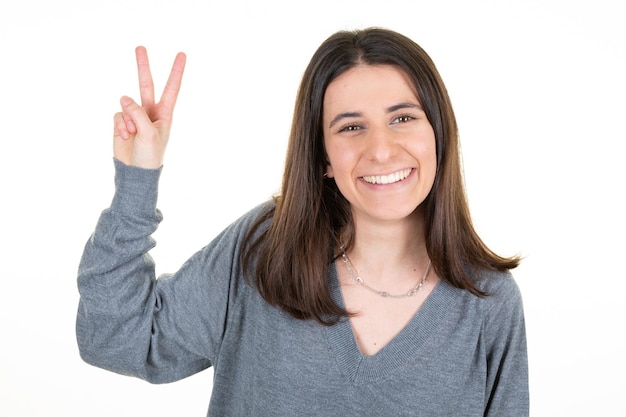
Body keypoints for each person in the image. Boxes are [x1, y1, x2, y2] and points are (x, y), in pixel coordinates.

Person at [76, 27, 529, 416]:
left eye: (403, 118)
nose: (382, 149)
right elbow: (118, 339)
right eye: (351, 127)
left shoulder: (488, 304)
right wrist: (137, 181)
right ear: (323, 157)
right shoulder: (264, 252)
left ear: (439, 134)